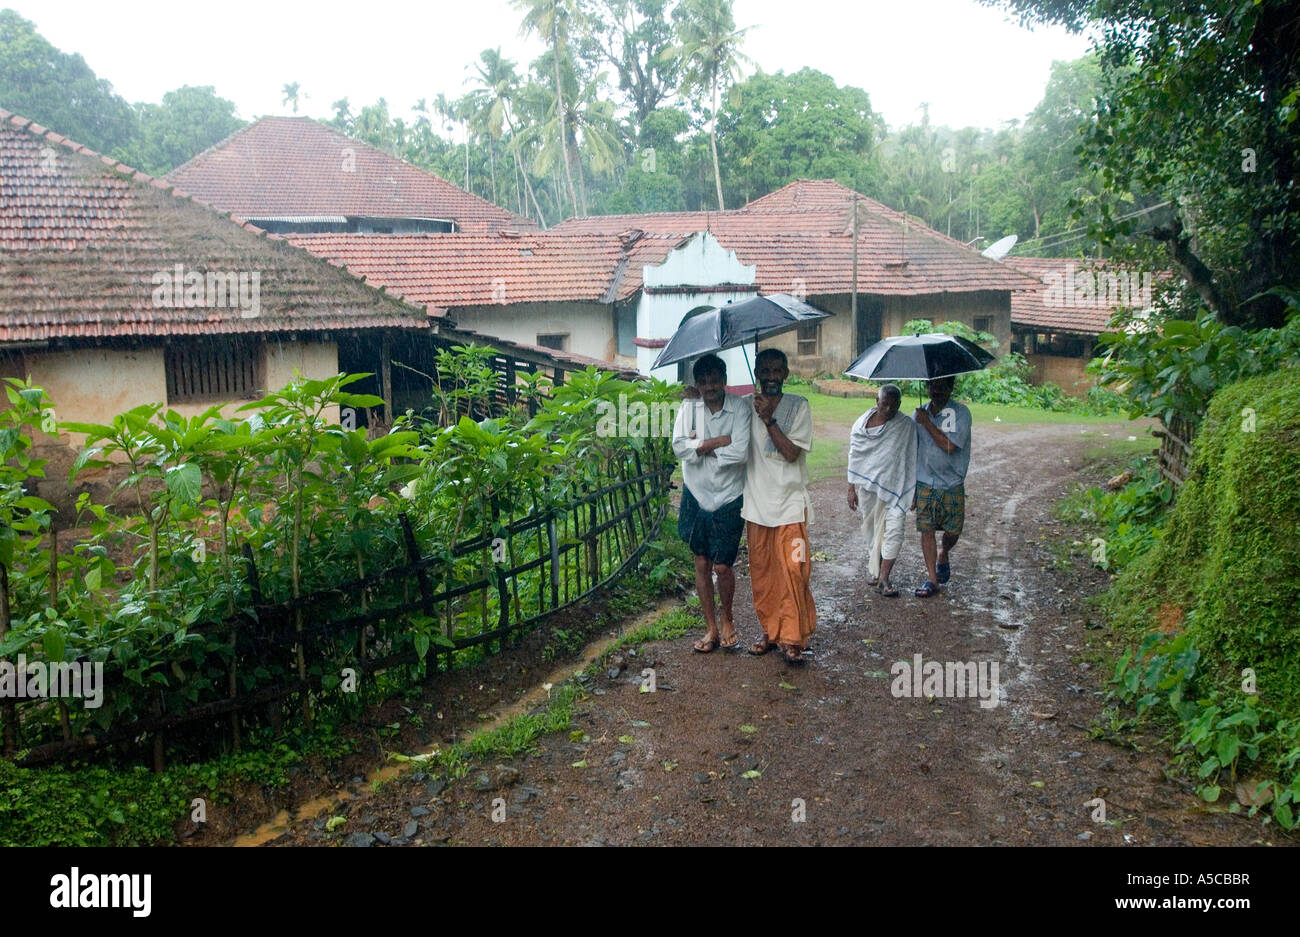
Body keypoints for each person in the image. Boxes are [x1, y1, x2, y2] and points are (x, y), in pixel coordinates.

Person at [672, 354, 751, 652]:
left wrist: (699, 448)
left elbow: (741, 452)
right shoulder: (688, 407)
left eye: (715, 379)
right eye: (703, 381)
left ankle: (728, 617)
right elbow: (679, 446)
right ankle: (711, 628)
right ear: (697, 384)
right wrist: (716, 441)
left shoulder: (739, 407)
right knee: (702, 562)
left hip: (729, 495)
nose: (709, 386)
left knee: (722, 566)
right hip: (696, 492)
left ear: (725, 380)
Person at [742, 348, 816, 664]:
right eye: (765, 371)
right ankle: (771, 633)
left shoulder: (799, 406)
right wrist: (692, 399)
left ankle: (794, 637)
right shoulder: (745, 407)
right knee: (763, 573)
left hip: (790, 505)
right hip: (757, 506)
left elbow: (791, 453)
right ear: (758, 373)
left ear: (786, 373)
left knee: (795, 569)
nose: (771, 377)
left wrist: (769, 420)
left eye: (777, 371)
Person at [847, 384, 916, 598]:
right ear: (877, 402)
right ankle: (875, 568)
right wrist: (851, 488)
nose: (888, 409)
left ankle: (884, 577)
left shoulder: (906, 426)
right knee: (871, 529)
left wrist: (914, 490)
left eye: (894, 406)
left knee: (895, 529)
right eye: (884, 404)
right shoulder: (861, 425)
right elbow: (855, 454)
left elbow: (912, 457)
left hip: (897, 486)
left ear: (899, 405)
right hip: (868, 488)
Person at [912, 376, 972, 597]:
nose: (935, 390)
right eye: (931, 386)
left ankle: (944, 551)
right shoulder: (918, 414)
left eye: (941, 386)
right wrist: (912, 487)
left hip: (952, 482)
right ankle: (932, 579)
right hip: (925, 481)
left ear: (951, 388)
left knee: (953, 530)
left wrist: (927, 423)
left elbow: (949, 446)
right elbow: (913, 450)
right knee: (926, 529)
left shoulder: (961, 413)